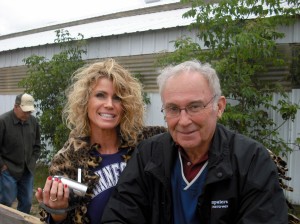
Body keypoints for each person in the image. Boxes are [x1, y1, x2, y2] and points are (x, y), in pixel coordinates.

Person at [101, 60, 288, 224]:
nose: (183, 121)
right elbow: (119, 215)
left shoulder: (251, 160)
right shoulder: (148, 155)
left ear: (220, 106)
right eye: (173, 108)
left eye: (195, 106)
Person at [35, 58, 167, 224]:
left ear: (126, 104)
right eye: (100, 95)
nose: (109, 104)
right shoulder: (67, 159)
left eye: (118, 98)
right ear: (85, 101)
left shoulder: (148, 144)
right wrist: (57, 212)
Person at [0, 93, 41, 214]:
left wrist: (32, 161)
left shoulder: (33, 122)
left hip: (27, 170)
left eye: (30, 112)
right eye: (25, 111)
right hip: (9, 170)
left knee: (27, 202)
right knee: (6, 202)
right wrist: (2, 166)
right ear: (16, 107)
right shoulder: (3, 121)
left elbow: (37, 145)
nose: (28, 114)